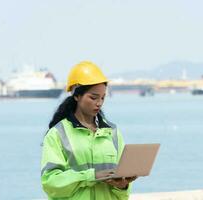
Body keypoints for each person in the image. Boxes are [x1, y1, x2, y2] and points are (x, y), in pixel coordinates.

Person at [41, 61, 136, 200]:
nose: (99, 103)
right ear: (76, 95)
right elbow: (50, 183)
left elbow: (124, 194)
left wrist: (123, 185)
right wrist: (91, 176)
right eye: (93, 97)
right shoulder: (57, 134)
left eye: (103, 97)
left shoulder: (112, 132)